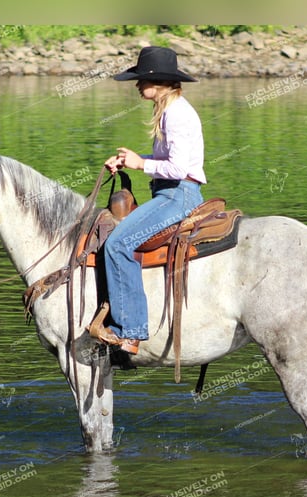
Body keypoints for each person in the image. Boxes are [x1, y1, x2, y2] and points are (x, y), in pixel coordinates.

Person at [88, 46, 206, 355]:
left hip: (178, 193)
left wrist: (142, 164)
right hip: (170, 190)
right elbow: (166, 160)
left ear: (162, 82)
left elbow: (179, 169)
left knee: (117, 244)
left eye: (142, 80)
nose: (138, 85)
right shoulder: (170, 110)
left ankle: (131, 330)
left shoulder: (177, 114)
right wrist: (133, 161)